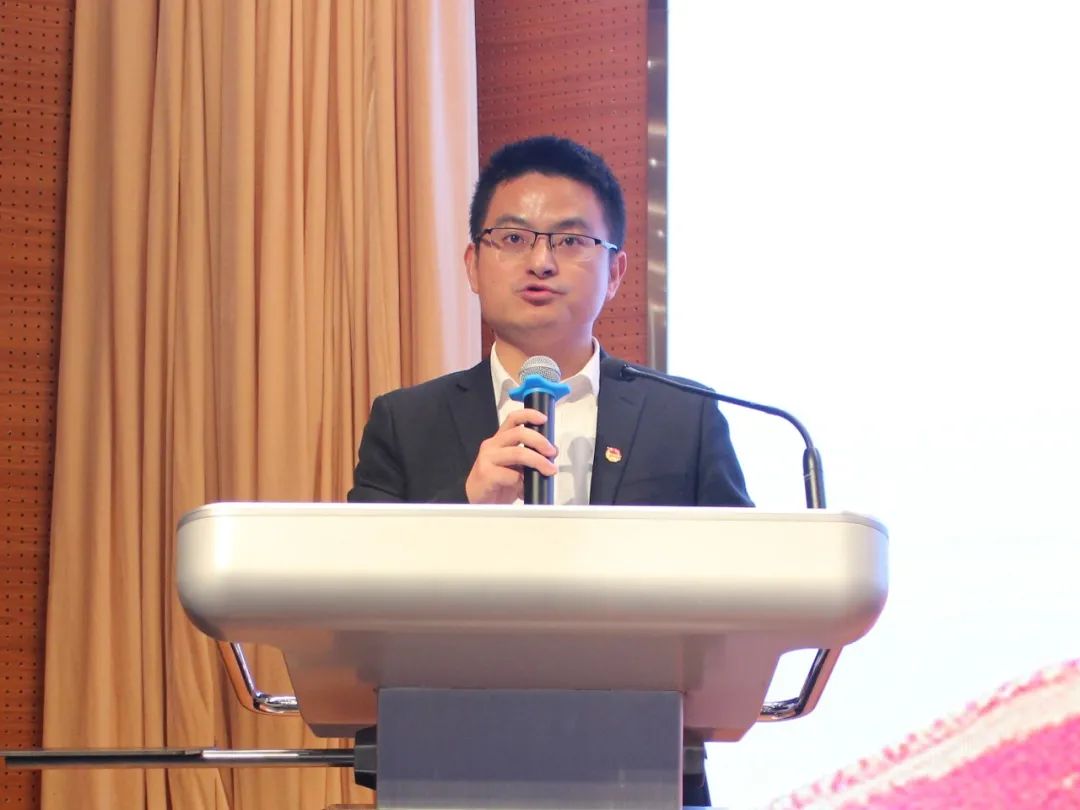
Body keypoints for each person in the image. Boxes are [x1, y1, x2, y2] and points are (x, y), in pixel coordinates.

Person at [347, 135, 752, 806]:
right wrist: (464, 505)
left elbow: (746, 584)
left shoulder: (685, 417)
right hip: (447, 763)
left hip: (642, 763)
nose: (540, 261)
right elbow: (350, 586)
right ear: (474, 265)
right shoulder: (405, 421)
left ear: (615, 272)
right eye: (513, 238)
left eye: (570, 241)